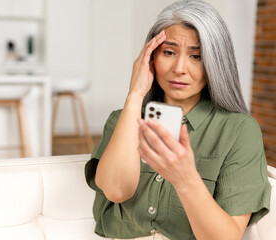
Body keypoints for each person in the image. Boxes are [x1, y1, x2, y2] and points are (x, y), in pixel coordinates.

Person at [84, 0, 271, 239]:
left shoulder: (239, 131)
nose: (180, 68)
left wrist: (185, 179)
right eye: (169, 52)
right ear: (151, 57)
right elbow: (116, 190)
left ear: (216, 63)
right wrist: (134, 95)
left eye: (196, 56)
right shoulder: (123, 119)